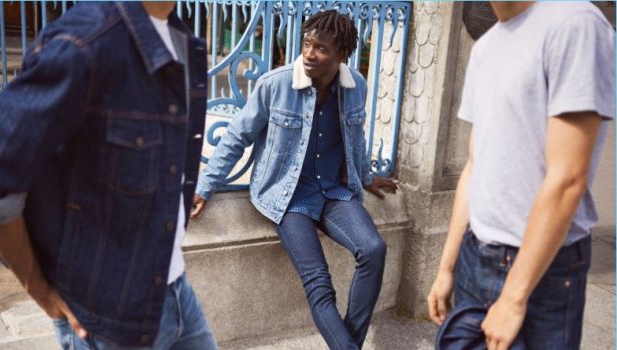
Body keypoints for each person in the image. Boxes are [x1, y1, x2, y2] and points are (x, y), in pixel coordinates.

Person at [0, 2, 218, 349]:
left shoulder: (179, 37)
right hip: (106, 317)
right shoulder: (84, 42)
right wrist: (38, 288)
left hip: (175, 290)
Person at [192, 10, 397, 350]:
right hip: (287, 196)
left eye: (321, 48)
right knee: (319, 283)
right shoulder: (276, 84)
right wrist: (204, 187)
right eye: (306, 43)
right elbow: (235, 137)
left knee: (373, 249)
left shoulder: (354, 85)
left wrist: (364, 175)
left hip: (333, 191)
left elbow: (356, 136)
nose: (309, 53)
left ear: (341, 55)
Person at [427, 2, 615, 349]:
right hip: (474, 252)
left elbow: (568, 178)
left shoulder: (575, 24)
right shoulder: (486, 48)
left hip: (541, 269)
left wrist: (514, 296)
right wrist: (447, 267)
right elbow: (475, 163)